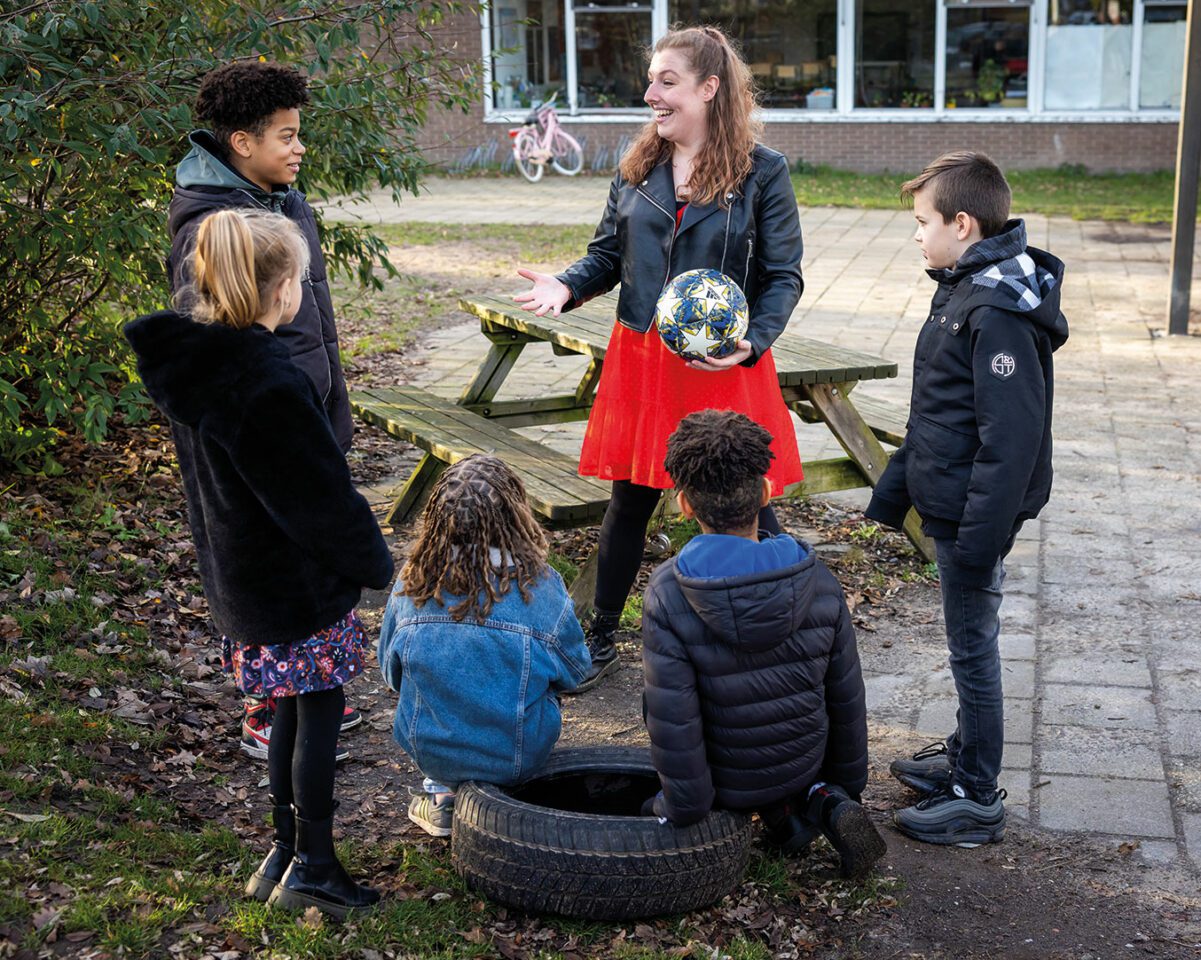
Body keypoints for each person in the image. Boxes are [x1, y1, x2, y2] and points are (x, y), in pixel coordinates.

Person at [514, 25, 805, 691]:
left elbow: (783, 275)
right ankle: (600, 636)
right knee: (630, 501)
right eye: (650, 81)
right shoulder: (638, 166)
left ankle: (789, 625)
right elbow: (607, 256)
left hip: (722, 364)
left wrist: (752, 340)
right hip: (644, 358)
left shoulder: (763, 172)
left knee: (747, 501)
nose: (650, 94)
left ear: (709, 89)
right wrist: (567, 283)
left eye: (666, 82)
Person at [125, 208, 394, 917]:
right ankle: (314, 862)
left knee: (286, 712)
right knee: (318, 713)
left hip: (241, 578)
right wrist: (372, 561)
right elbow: (316, 499)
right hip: (293, 585)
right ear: (281, 291)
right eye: (301, 278)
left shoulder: (200, 369)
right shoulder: (268, 386)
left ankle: (282, 849)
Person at [865, 151, 1068, 846]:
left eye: (922, 222)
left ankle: (976, 793)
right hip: (950, 501)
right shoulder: (961, 286)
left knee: (971, 649)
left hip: (971, 517)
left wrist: (979, 537)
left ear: (962, 222)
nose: (915, 236)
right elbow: (937, 413)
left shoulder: (996, 308)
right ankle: (962, 755)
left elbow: (1009, 439)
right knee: (965, 641)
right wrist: (892, 497)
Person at [165, 60, 359, 758]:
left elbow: (312, 319)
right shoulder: (212, 225)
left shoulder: (283, 200)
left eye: (299, 133)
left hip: (306, 410)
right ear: (241, 142)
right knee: (264, 563)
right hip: (260, 429)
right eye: (285, 135)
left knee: (308, 558)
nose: (298, 147)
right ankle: (268, 711)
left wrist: (327, 399)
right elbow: (215, 349)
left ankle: (310, 691)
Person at [640, 410, 885, 880]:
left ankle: (783, 815)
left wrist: (680, 807)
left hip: (726, 785)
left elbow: (675, 719)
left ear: (685, 505)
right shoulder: (818, 579)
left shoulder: (668, 594)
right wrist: (844, 785)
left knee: (653, 701)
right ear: (768, 491)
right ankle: (814, 805)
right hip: (803, 764)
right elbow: (847, 699)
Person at [377, 455, 592, 837]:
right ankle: (503, 796)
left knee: (425, 688)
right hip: (517, 753)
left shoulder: (412, 583)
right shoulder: (539, 587)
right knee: (540, 687)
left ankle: (442, 797)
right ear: (515, 517)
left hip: (431, 748)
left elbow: (390, 674)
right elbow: (576, 671)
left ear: (437, 522)